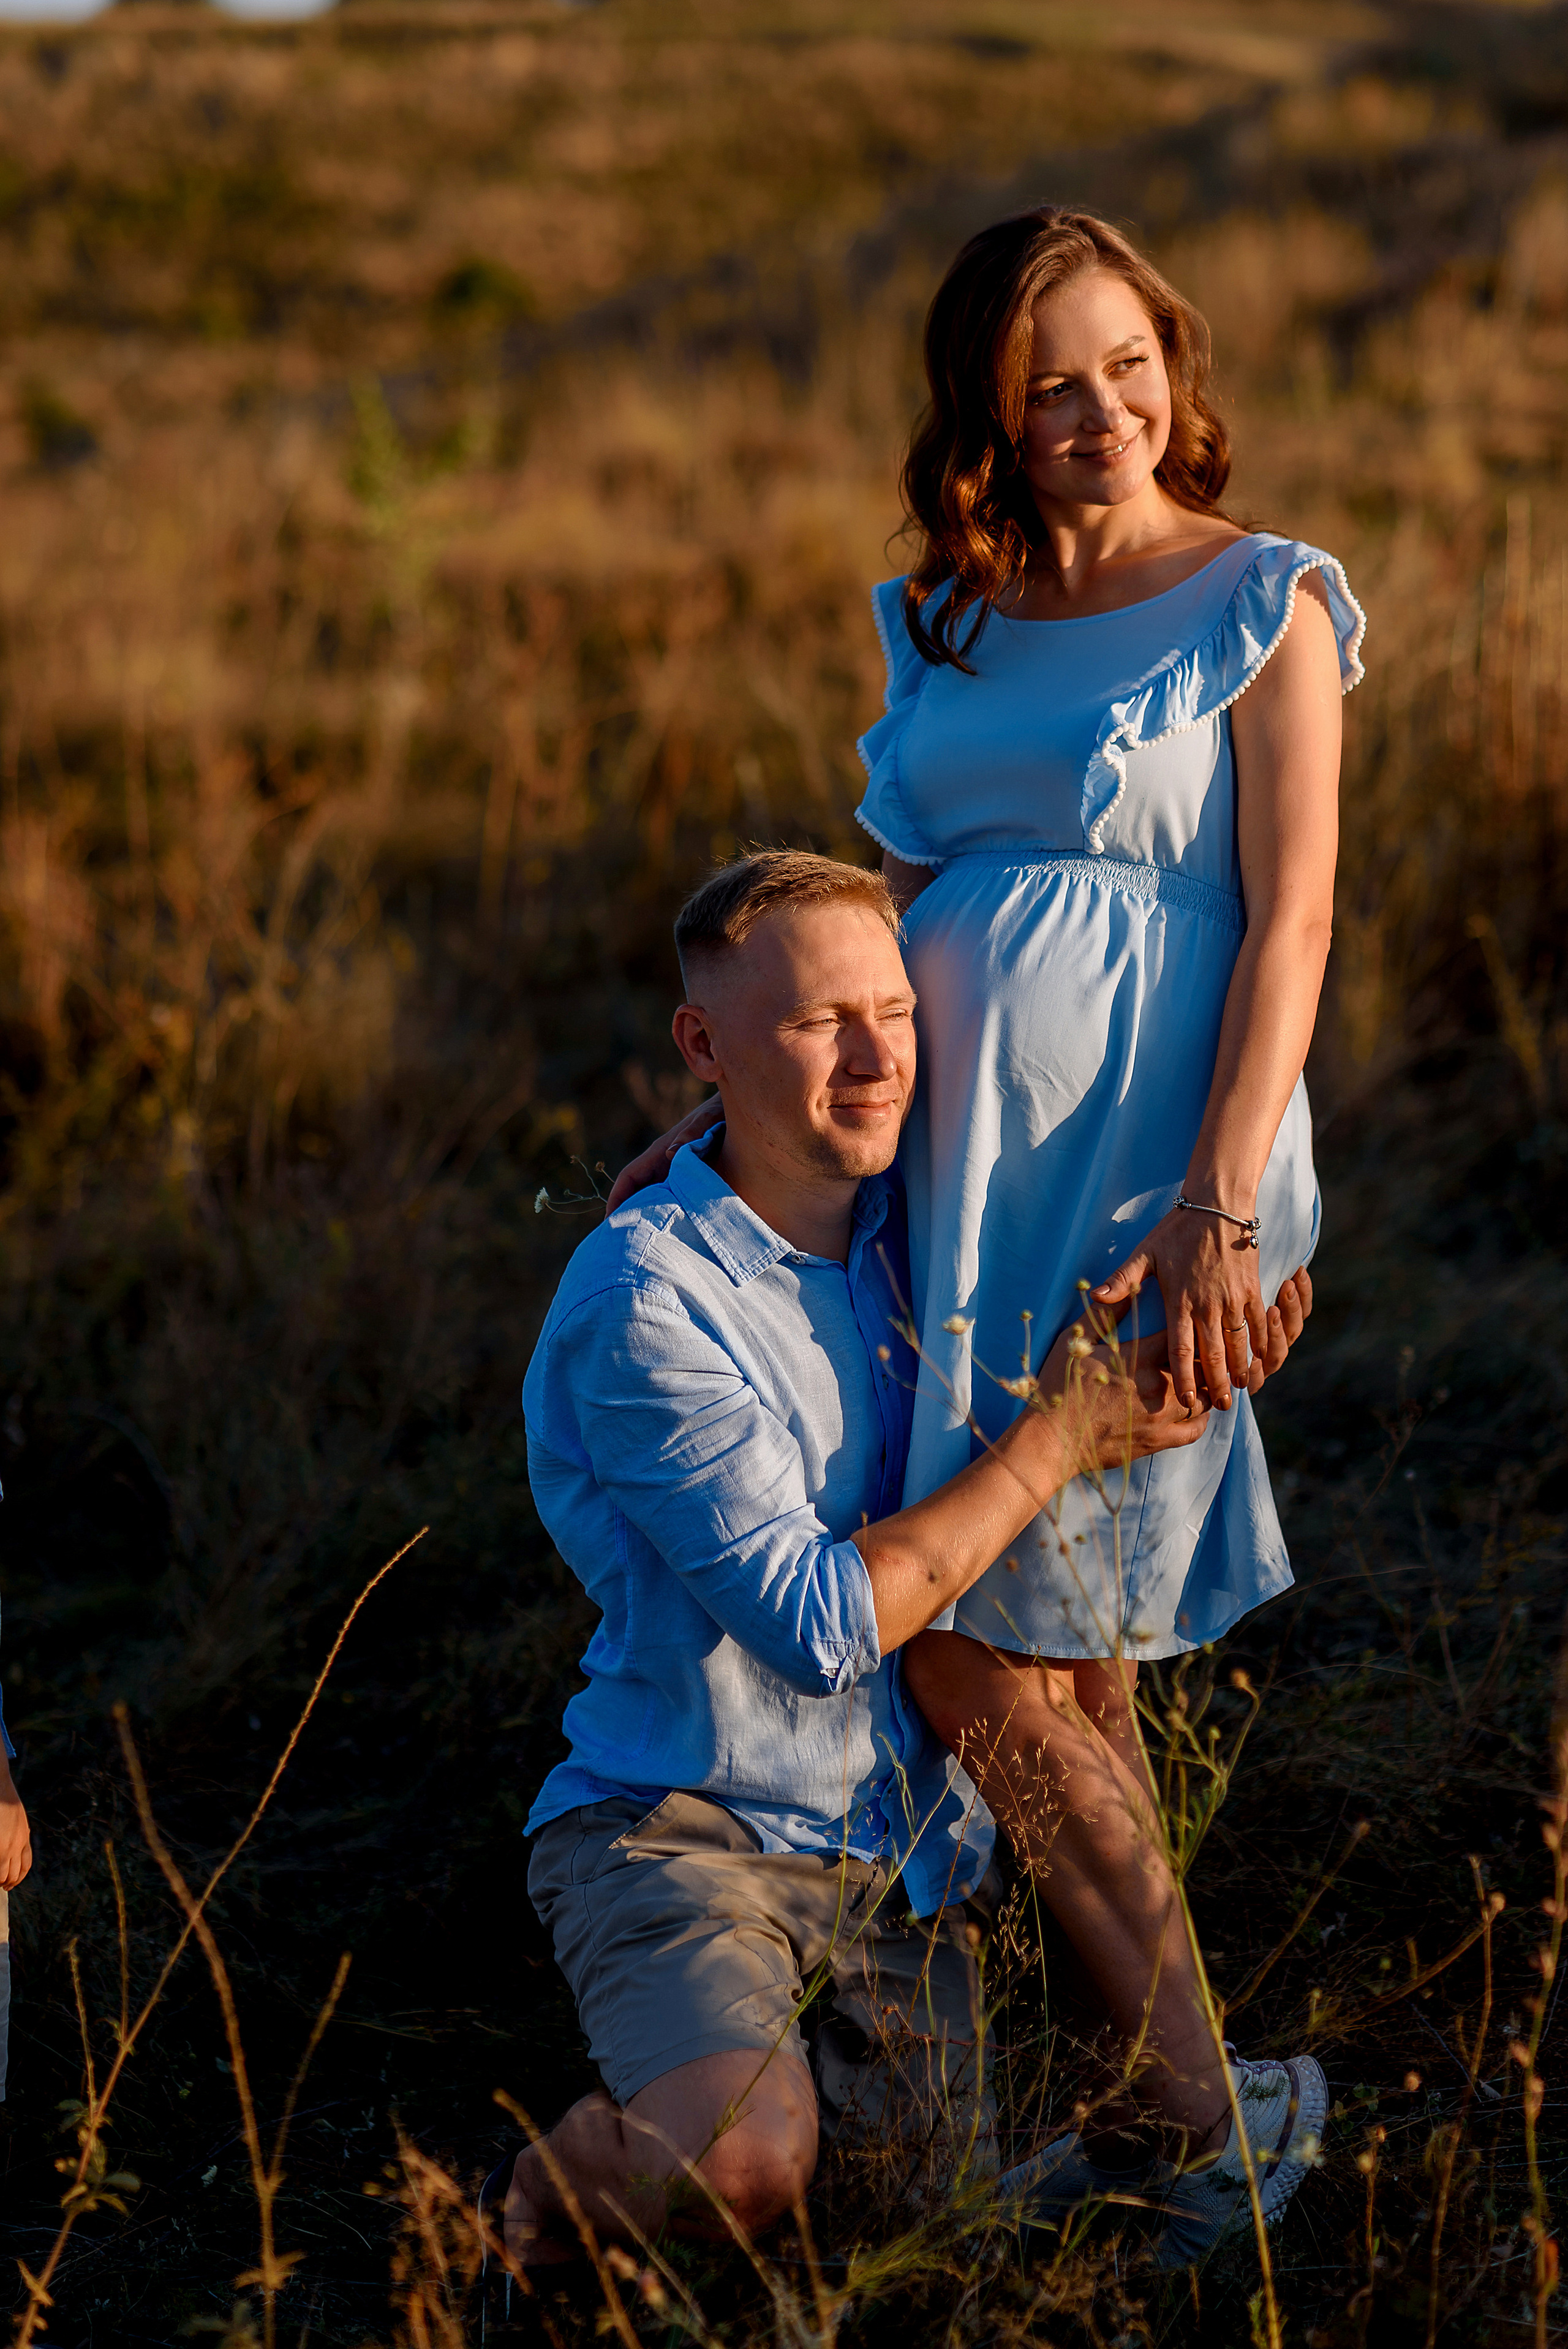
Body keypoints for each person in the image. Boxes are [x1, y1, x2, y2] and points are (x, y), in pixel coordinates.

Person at [607, 207, 1355, 2266]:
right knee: (1051, 1657)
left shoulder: (1267, 605)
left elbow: (1287, 921)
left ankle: (1203, 2119)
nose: (1100, 413)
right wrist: (734, 1093)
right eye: (1052, 385)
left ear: (1173, 370)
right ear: (991, 418)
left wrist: (1219, 1207)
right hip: (960, 1163)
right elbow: (890, 892)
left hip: (1142, 1174)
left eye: (1129, 367)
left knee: (973, 1645)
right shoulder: (947, 614)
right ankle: (1186, 2091)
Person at [505, 850, 1289, 2279]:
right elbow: (818, 1626)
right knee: (744, 2165)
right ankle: (526, 2214)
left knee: (920, 2240)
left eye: (897, 1015)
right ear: (703, 1046)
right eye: (818, 1024)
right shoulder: (646, 1298)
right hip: (691, 1829)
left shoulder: (919, 1238)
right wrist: (1063, 1435)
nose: (875, 1060)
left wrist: (1206, 1350)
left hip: (900, 1864)